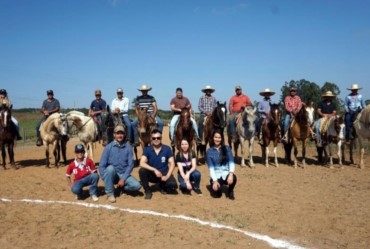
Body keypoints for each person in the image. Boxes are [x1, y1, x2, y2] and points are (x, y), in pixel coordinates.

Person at [99, 125, 142, 203]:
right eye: (117, 133)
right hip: (112, 174)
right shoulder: (108, 147)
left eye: (121, 133)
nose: (120, 135)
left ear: (124, 134)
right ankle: (110, 193)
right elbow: (102, 164)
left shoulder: (128, 147)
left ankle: (122, 188)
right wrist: (104, 177)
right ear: (114, 135)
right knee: (110, 168)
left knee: (137, 186)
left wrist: (123, 178)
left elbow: (130, 165)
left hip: (123, 173)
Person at [138, 129, 178, 200]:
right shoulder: (147, 149)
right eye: (154, 138)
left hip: (164, 173)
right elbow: (141, 163)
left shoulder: (167, 149)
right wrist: (154, 170)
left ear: (161, 138)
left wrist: (167, 176)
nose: (156, 140)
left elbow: (172, 163)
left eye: (158, 138)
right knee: (142, 171)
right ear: (151, 139)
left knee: (172, 185)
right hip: (153, 174)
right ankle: (148, 191)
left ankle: (162, 186)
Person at [206, 129, 237, 200]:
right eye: (216, 137)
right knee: (217, 195)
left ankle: (230, 191)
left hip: (226, 173)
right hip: (216, 175)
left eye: (219, 137)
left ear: (222, 138)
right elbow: (211, 168)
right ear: (213, 138)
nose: (217, 139)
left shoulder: (227, 148)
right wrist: (215, 181)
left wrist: (231, 174)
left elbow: (231, 162)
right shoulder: (209, 151)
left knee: (234, 178)